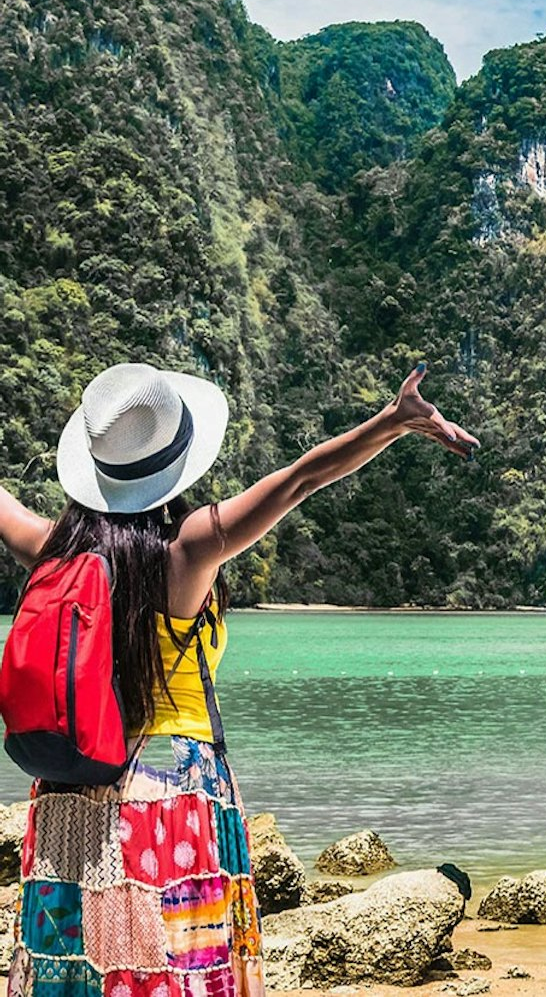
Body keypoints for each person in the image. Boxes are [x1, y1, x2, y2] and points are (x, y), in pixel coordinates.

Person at [0, 360, 477, 996]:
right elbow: (301, 479)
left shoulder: (54, 548)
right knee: (180, 972)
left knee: (80, 976)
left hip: (68, 793)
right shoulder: (188, 548)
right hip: (171, 792)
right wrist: (393, 421)